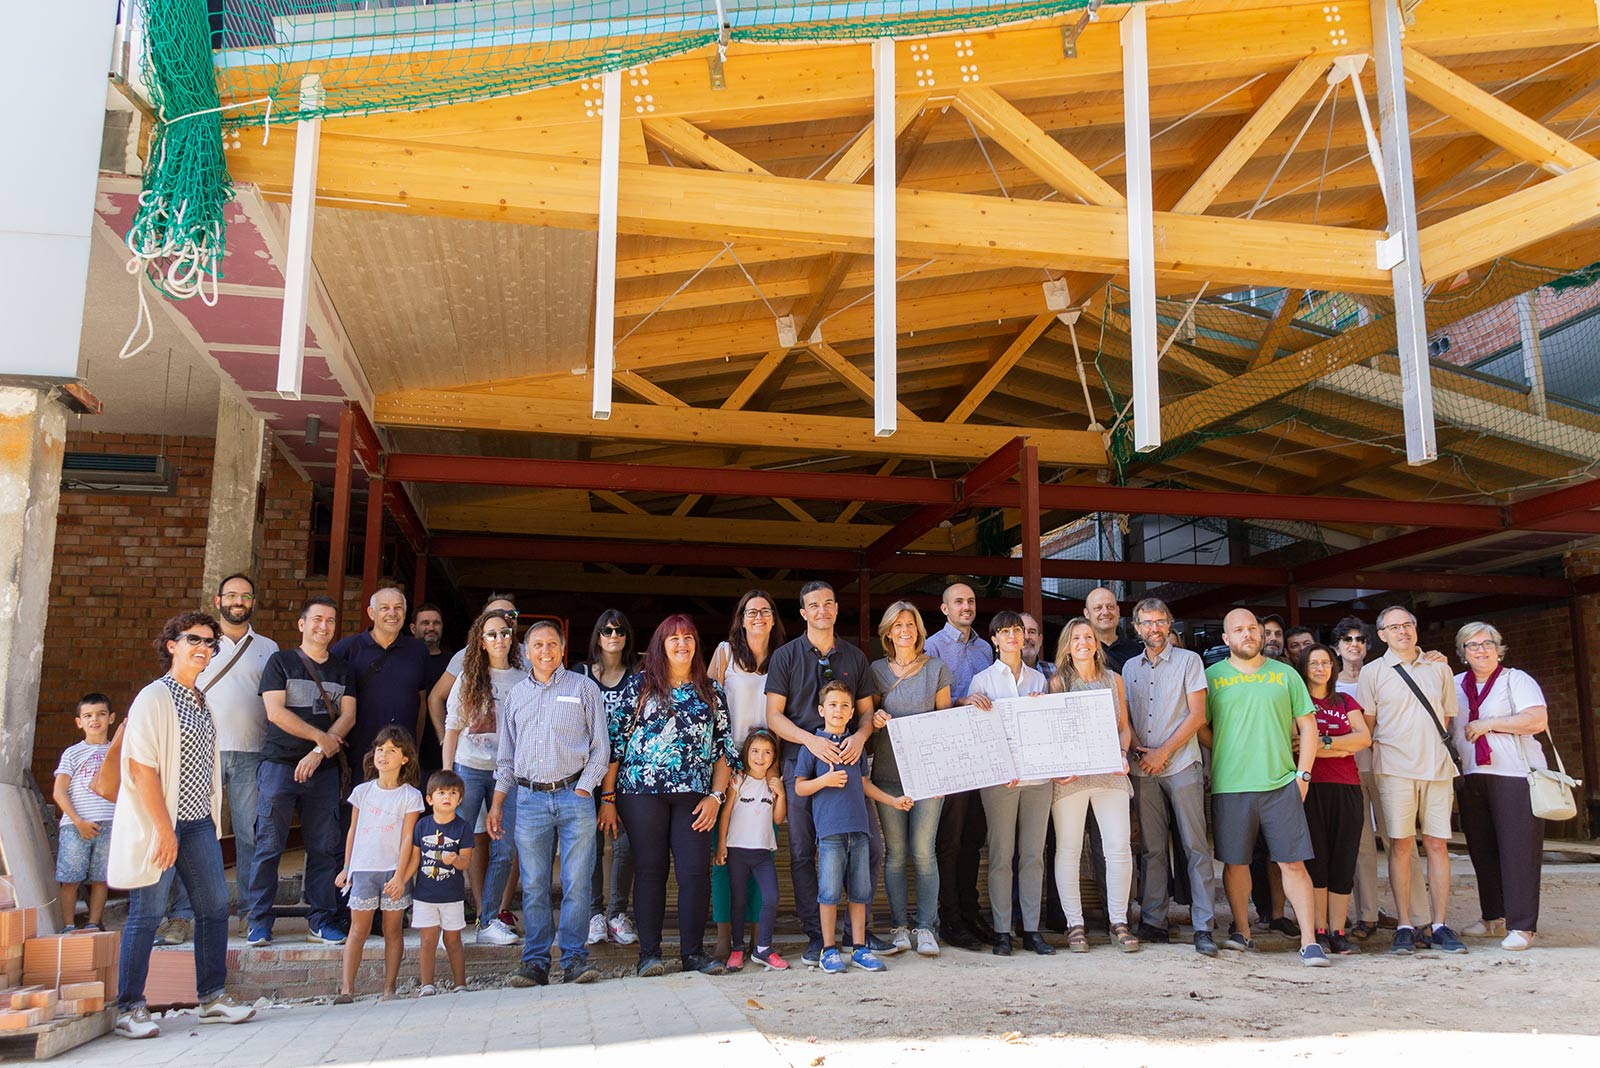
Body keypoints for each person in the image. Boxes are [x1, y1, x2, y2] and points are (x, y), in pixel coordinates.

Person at [109, 612, 256, 1039]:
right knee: (148, 912)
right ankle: (130, 1007)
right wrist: (162, 828)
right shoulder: (155, 697)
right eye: (194, 639)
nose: (203, 648)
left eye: (210, 643)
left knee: (212, 908)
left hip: (196, 824)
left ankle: (212, 998)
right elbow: (140, 769)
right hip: (162, 823)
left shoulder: (200, 699)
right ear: (171, 644)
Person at [601, 615, 738, 977]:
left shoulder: (711, 690)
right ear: (661, 644)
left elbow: (725, 749)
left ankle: (692, 953)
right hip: (641, 792)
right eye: (674, 638)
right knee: (650, 870)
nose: (682, 644)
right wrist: (608, 798)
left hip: (695, 794)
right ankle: (650, 954)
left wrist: (716, 796)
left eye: (689, 637)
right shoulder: (640, 686)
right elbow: (616, 745)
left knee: (694, 872)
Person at [765, 581, 887, 966]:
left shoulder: (854, 656)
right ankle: (819, 937)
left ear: (836, 608)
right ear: (803, 613)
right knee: (803, 851)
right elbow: (773, 716)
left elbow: (867, 711)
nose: (822, 610)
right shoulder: (785, 657)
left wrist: (861, 736)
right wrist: (810, 742)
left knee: (870, 845)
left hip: (850, 763)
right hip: (800, 761)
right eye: (813, 605)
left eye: (829, 603)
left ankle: (859, 934)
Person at [160, 573, 282, 944]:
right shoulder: (200, 643)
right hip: (199, 752)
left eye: (245, 596)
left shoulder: (268, 647)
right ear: (217, 601)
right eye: (231, 595)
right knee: (193, 833)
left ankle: (250, 913)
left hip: (251, 752)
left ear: (253, 602)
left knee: (249, 836)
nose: (238, 601)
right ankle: (180, 917)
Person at [1203, 609, 1328, 967]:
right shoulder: (1212, 678)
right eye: (1238, 630)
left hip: (1280, 784)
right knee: (1235, 863)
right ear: (1226, 639)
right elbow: (1201, 726)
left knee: (1293, 863)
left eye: (1252, 628)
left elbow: (1308, 729)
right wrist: (1227, 747)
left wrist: (1302, 776)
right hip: (1231, 785)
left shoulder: (1286, 675)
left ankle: (1309, 941)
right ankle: (1242, 931)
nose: (1248, 634)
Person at [488, 620, 609, 987]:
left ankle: (574, 960)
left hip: (575, 797)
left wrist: (585, 789)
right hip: (529, 800)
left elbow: (600, 749)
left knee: (576, 882)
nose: (545, 651)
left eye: (552, 644)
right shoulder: (516, 697)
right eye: (537, 645)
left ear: (562, 648)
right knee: (536, 883)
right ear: (526, 651)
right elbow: (506, 759)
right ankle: (536, 962)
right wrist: (497, 804)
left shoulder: (584, 688)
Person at [248, 596, 357, 948]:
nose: (323, 626)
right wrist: (319, 739)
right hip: (279, 766)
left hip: (323, 771)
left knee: (324, 847)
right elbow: (275, 712)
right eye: (317, 619)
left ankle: (321, 919)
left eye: (330, 621)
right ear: (302, 624)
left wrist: (316, 752)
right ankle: (259, 922)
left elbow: (349, 716)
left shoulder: (342, 669)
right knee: (269, 845)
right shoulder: (281, 662)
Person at [1357, 605, 1466, 955]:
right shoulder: (1372, 673)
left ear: (1416, 630)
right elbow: (1367, 727)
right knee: (1401, 846)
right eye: (1394, 627)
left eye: (1408, 625)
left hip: (1436, 768)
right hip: (1393, 769)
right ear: (1383, 635)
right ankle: (1405, 924)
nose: (1402, 631)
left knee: (1437, 845)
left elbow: (1448, 718)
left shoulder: (1440, 668)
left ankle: (1439, 924)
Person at [1121, 598, 1217, 956]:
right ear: (1136, 627)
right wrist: (1141, 753)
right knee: (1152, 848)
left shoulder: (1189, 661)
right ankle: (1153, 920)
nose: (1154, 629)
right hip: (1143, 768)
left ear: (1169, 624)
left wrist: (1163, 752)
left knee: (1194, 845)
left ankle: (1204, 925)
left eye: (1160, 622)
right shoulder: (1129, 667)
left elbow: (1197, 716)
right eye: (1147, 623)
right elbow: (1125, 715)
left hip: (1181, 766)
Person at [796, 681, 910, 974]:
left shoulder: (854, 747)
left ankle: (859, 948)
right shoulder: (813, 747)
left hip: (860, 831)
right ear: (822, 710)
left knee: (860, 893)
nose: (838, 710)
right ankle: (828, 949)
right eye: (833, 705)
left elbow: (863, 784)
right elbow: (800, 788)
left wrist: (893, 801)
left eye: (845, 706)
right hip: (831, 833)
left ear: (851, 714)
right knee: (829, 893)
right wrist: (825, 781)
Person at [1451, 622, 1551, 951]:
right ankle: (1492, 916)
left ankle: (1522, 925)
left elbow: (1536, 720)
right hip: (1472, 773)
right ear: (1462, 652)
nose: (1481, 650)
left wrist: (1489, 724)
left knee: (1518, 851)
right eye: (1473, 645)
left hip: (1515, 775)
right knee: (1482, 849)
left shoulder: (1515, 680)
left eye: (1488, 643)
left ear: (1499, 648)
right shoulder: (1454, 685)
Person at [428, 593, 519, 929]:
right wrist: (447, 772)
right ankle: (442, 916)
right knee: (454, 843)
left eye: (505, 632)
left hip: (507, 774)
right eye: (492, 633)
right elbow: (452, 726)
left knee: (504, 848)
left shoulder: (524, 679)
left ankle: (489, 918)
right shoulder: (467, 677)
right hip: (467, 770)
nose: (500, 638)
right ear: (480, 640)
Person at [867, 601, 952, 956]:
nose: (905, 630)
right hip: (887, 775)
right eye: (898, 625)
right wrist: (874, 718)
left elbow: (945, 721)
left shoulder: (936, 669)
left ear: (919, 630)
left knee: (923, 852)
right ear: (888, 632)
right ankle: (899, 926)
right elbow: (864, 722)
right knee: (896, 854)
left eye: (911, 624)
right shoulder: (875, 672)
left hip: (929, 776)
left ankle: (926, 927)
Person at [964, 611, 1052, 956]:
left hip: (1037, 777)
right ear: (994, 640)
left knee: (1033, 855)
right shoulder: (982, 681)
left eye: (1017, 630)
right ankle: (1003, 931)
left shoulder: (1039, 681)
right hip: (1000, 779)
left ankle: (1031, 930)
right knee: (1001, 854)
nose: (1013, 636)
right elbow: (977, 737)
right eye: (1005, 631)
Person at [1048, 617, 1138, 954]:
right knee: (1068, 849)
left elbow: (1124, 726)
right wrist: (1060, 767)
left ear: (1096, 643)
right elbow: (1052, 733)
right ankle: (1075, 924)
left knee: (1118, 847)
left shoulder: (1114, 681)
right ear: (1067, 648)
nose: (1083, 642)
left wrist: (1122, 752)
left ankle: (1119, 921)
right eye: (1075, 638)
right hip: (1071, 778)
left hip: (1109, 774)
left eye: (1088, 636)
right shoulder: (1057, 683)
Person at [708, 590, 784, 960]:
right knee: (725, 854)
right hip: (730, 764)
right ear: (740, 617)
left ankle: (760, 938)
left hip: (767, 763)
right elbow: (705, 701)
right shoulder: (725, 653)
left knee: (760, 849)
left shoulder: (784, 658)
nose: (758, 617)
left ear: (773, 619)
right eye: (751, 611)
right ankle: (726, 938)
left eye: (765, 611)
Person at [924, 580, 994, 952]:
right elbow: (926, 697)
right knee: (948, 840)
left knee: (973, 838)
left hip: (983, 755)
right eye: (958, 601)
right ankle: (948, 916)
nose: (966, 606)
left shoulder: (985, 648)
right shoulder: (932, 646)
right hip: (950, 754)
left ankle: (971, 910)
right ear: (944, 608)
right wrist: (962, 700)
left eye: (970, 601)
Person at [335, 726, 424, 1001]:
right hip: (363, 869)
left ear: (405, 758)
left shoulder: (411, 795)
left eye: (392, 750)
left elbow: (409, 836)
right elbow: (353, 830)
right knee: (357, 929)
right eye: (380, 749)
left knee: (392, 930)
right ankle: (347, 988)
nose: (383, 755)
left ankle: (389, 988)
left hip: (392, 870)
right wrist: (347, 867)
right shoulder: (362, 792)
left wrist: (400, 876)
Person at [1299, 643, 1372, 956]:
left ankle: (1338, 930)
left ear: (1333, 667)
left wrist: (1322, 742)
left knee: (1343, 860)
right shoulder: (1298, 700)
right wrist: (1342, 745)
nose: (1320, 668)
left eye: (1325, 662)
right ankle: (1317, 929)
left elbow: (1364, 738)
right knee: (1318, 862)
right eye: (1314, 663)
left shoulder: (1345, 700)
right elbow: (1293, 742)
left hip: (1346, 787)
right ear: (1304, 667)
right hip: (1312, 788)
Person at [578, 610, 638, 948]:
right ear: (597, 637)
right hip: (588, 771)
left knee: (626, 845)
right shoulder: (581, 674)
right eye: (606, 630)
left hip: (628, 773)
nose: (613, 635)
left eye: (620, 630)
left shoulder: (638, 676)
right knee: (592, 846)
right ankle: (594, 915)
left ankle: (618, 913)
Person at [715, 729, 788, 972]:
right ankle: (737, 948)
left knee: (771, 897)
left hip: (762, 854)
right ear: (746, 753)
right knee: (738, 900)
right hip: (737, 851)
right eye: (755, 751)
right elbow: (725, 814)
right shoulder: (737, 781)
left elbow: (778, 820)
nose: (760, 757)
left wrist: (781, 794)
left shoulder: (772, 784)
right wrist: (721, 846)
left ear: (774, 757)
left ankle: (763, 948)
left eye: (767, 752)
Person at [333, 585, 430, 768]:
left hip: (402, 756)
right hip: (357, 755)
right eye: (385, 608)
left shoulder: (418, 651)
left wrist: (415, 745)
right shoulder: (347, 649)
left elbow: (422, 701)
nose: (392, 613)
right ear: (371, 612)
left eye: (398, 608)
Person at [403, 769, 473, 995]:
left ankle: (460, 984)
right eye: (441, 792)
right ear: (429, 798)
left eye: (453, 793)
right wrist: (401, 882)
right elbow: (414, 860)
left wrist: (455, 859)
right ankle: (427, 985)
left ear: (460, 799)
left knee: (453, 940)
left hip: (452, 896)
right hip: (425, 895)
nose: (447, 797)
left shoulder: (462, 827)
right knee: (427, 940)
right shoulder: (422, 826)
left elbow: (466, 862)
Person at [54, 693, 117, 932]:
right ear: (79, 722)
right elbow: (59, 792)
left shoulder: (118, 751)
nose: (95, 720)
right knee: (70, 878)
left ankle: (93, 923)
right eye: (88, 716)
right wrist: (78, 821)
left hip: (109, 823)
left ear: (111, 718)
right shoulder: (72, 753)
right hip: (76, 826)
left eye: (101, 714)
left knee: (101, 878)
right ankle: (68, 925)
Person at [413, 602, 450, 778]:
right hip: (409, 741)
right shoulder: (404, 660)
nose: (431, 627)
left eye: (436, 623)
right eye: (425, 623)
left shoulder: (453, 664)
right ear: (413, 628)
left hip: (440, 745)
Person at [1084, 587, 1143, 672]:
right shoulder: (1081, 650)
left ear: (1118, 611)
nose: (1105, 612)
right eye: (1098, 608)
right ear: (1087, 613)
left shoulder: (1136, 651)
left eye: (1110, 607)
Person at [1021, 612, 1056, 681]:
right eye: (1022, 632)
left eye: (1032, 632)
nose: (1027, 637)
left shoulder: (1054, 672)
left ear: (1040, 639)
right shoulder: (998, 675)